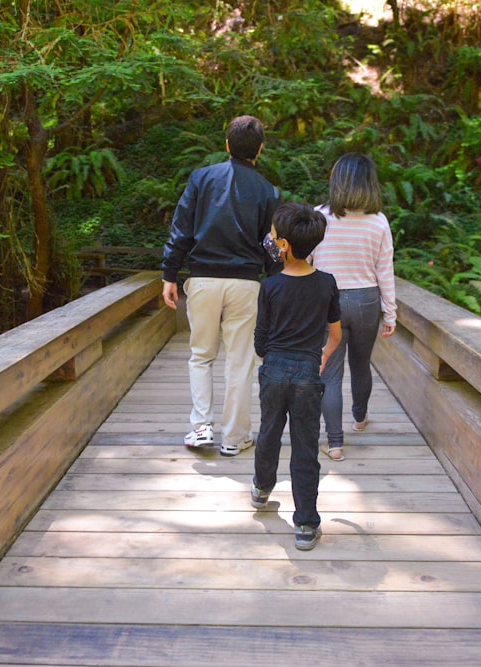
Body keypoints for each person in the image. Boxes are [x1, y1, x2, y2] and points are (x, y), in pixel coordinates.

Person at [161, 115, 281, 457]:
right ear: (260, 149)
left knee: (201, 355)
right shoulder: (268, 191)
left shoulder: (201, 179)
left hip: (202, 279)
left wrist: (170, 273)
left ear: (227, 145)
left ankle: (201, 428)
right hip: (245, 284)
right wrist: (276, 280)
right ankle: (235, 437)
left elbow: (181, 228)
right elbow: (271, 244)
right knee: (240, 361)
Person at [250, 202, 341, 551]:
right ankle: (305, 523)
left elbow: (260, 340)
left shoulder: (270, 286)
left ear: (283, 245)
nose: (270, 241)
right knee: (305, 447)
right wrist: (322, 357)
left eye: (274, 236)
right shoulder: (327, 284)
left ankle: (261, 488)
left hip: (273, 370)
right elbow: (335, 334)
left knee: (269, 431)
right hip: (307, 373)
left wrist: (270, 355)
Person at [310, 153, 397, 462]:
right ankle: (359, 418)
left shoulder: (318, 216)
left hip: (327, 301)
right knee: (361, 364)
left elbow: (305, 262)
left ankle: (334, 443)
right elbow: (384, 270)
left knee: (330, 374)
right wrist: (391, 312)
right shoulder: (379, 221)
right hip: (366, 301)